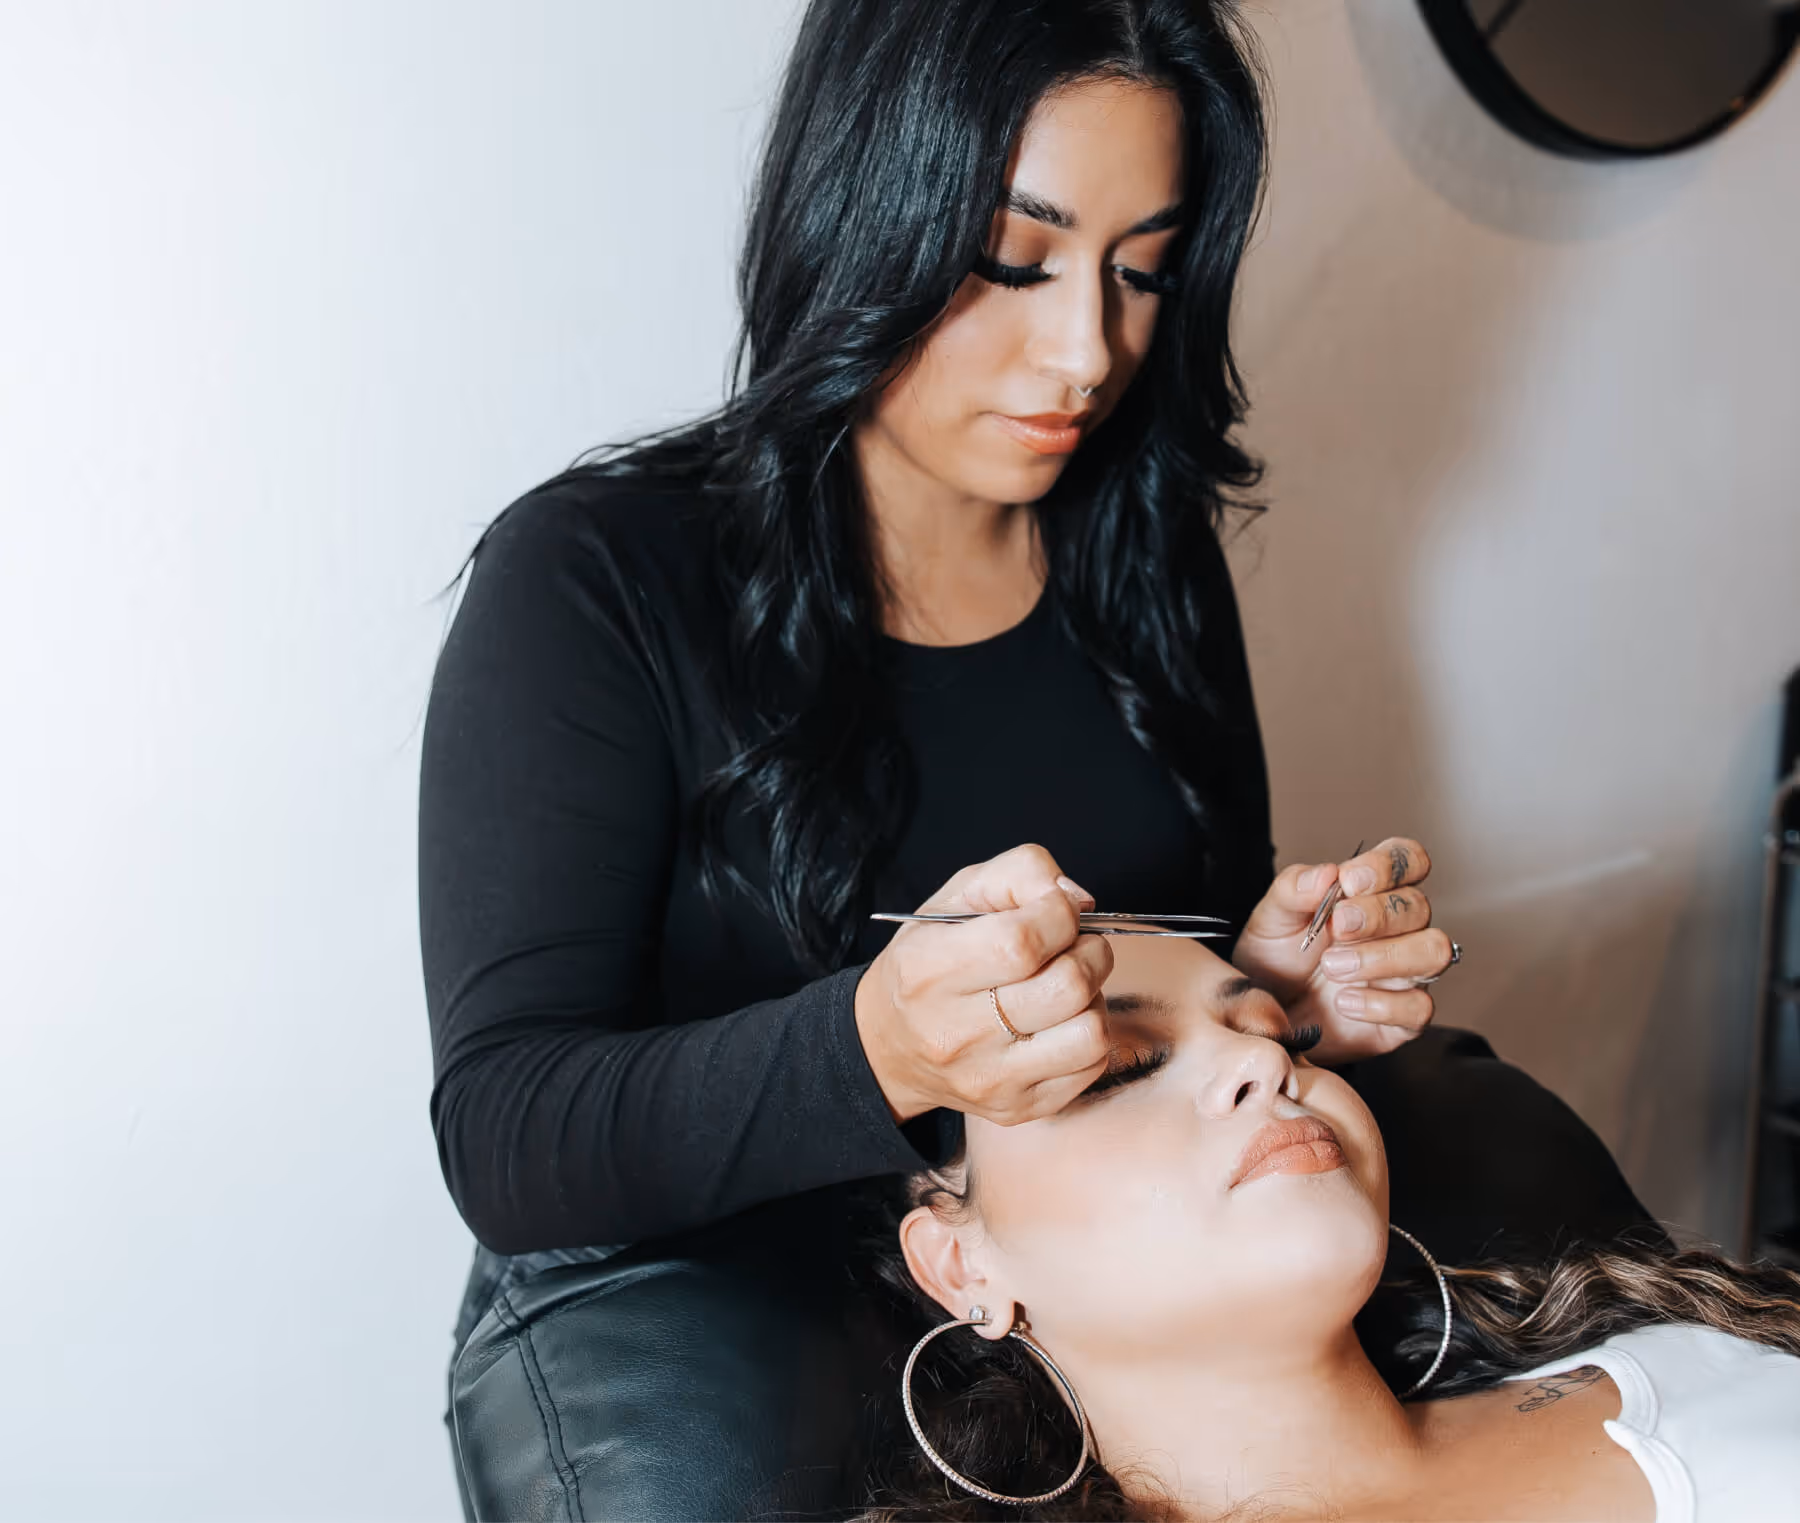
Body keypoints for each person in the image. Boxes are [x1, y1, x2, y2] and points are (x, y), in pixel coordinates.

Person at [419, 0, 1486, 1511]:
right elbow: (506, 1126)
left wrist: (1264, 985)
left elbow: (1175, 961)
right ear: (868, 205)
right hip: (756, 1328)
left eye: (1141, 271)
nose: (1087, 351)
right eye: (1013, 260)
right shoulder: (600, 578)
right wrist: (881, 1048)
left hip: (1110, 1315)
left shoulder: (1146, 552)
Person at [857, 927, 1800, 1522]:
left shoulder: (1699, 1350)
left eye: (1278, 1034)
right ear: (959, 1262)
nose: (1262, 1067)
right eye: (1122, 1064)